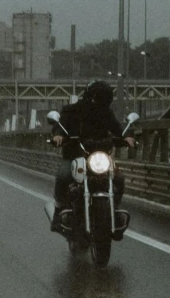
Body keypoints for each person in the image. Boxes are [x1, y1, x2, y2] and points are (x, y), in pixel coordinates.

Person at [52, 79, 129, 218]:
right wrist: (58, 136)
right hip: (75, 154)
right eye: (99, 98)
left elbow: (118, 129)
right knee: (63, 175)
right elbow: (60, 125)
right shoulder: (72, 110)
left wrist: (127, 137)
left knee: (119, 178)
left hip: (99, 157)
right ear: (90, 97)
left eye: (105, 99)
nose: (101, 102)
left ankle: (114, 209)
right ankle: (58, 209)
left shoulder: (106, 113)